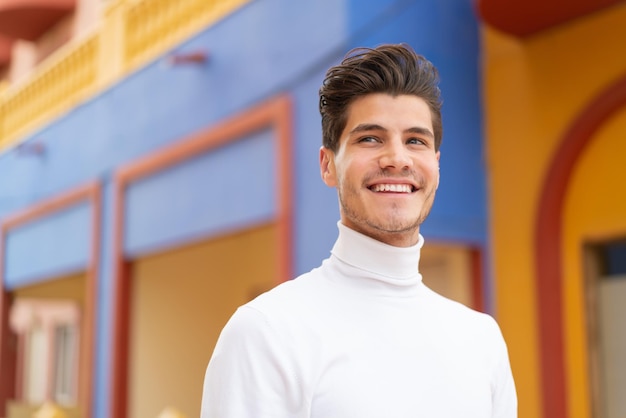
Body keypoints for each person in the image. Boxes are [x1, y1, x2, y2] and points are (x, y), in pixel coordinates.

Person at [200, 43, 517, 417]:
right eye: (370, 138)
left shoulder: (481, 340)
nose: (397, 159)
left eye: (415, 140)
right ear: (328, 165)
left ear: (435, 164)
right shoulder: (267, 332)